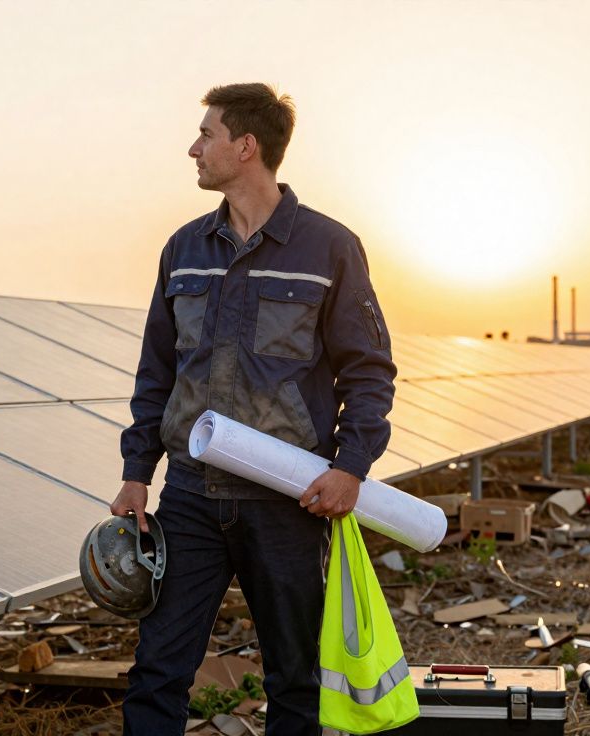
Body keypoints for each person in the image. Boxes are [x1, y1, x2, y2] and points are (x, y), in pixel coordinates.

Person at [111, 83, 397, 734]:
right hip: (188, 498)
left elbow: (370, 371)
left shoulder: (329, 249)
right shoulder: (183, 250)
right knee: (157, 673)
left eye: (206, 135)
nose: (193, 148)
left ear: (246, 147)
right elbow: (157, 369)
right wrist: (136, 471)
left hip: (287, 500)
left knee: (294, 679)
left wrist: (350, 466)